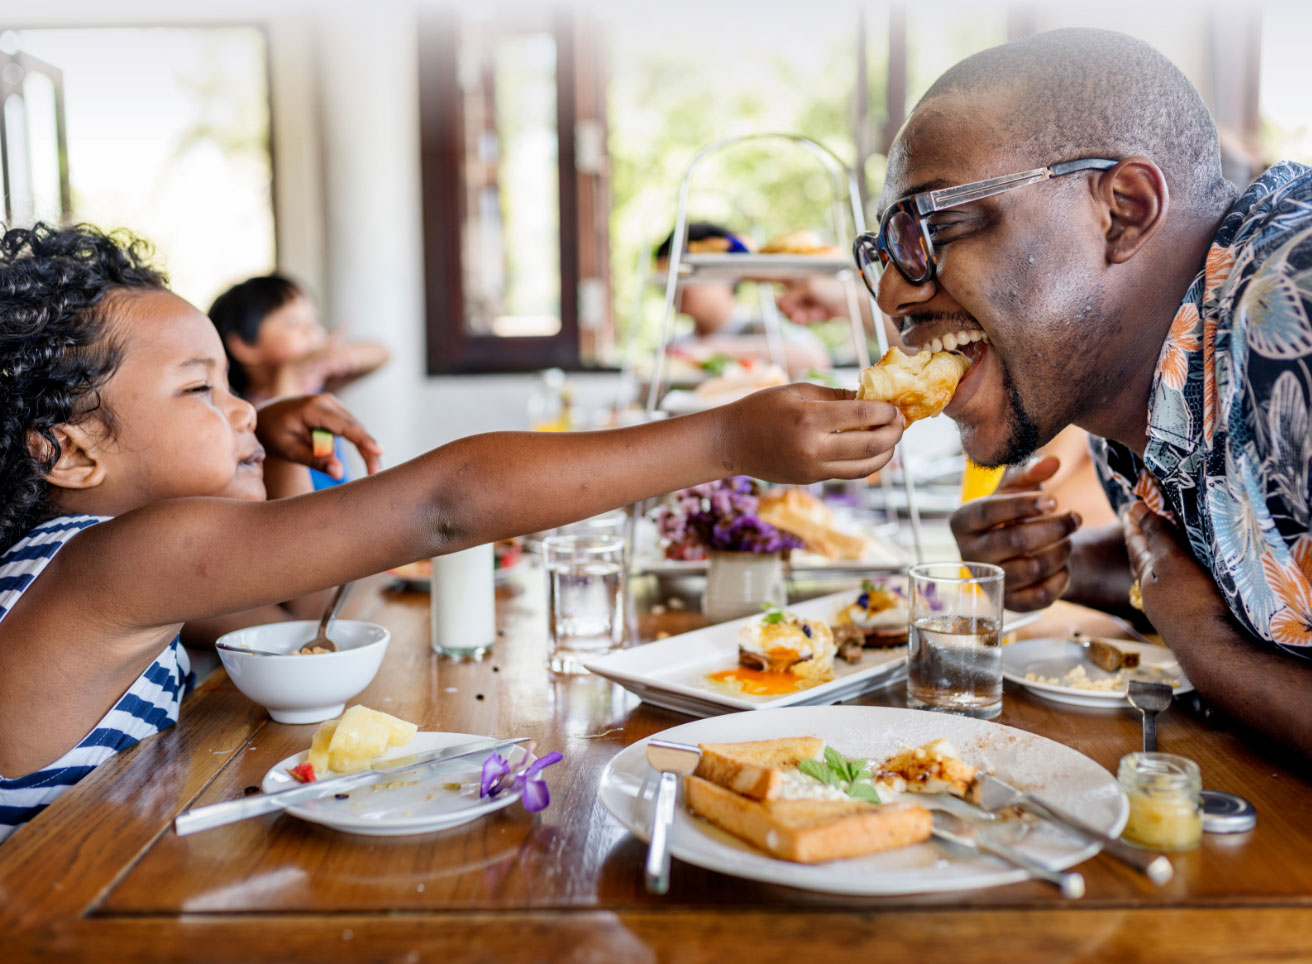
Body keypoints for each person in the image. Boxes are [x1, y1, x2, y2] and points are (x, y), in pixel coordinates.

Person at [0, 223, 905, 840]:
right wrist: (724, 437)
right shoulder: (111, 565)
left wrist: (267, 446)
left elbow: (306, 608)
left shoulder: (110, 565)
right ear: (69, 453)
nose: (242, 411)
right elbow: (442, 505)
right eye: (203, 390)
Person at [862, 28, 1312, 758]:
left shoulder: (1288, 315)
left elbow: (1204, 621)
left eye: (935, 223)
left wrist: (1207, 650)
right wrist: (1084, 567)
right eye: (883, 251)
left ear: (1123, 210)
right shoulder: (1134, 391)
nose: (892, 289)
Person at [209, 274, 390, 491]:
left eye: (313, 320)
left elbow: (382, 353)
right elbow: (284, 412)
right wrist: (290, 372)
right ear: (244, 346)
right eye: (295, 323)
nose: (311, 330)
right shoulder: (248, 416)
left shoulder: (315, 387)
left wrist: (341, 355)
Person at [655, 222, 832, 377]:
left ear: (727, 273)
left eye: (685, 275)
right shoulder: (677, 345)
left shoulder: (763, 326)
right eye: (668, 279)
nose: (675, 288)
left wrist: (713, 349)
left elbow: (816, 359)